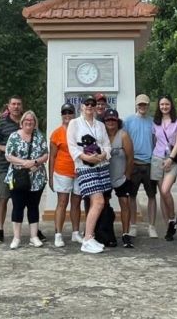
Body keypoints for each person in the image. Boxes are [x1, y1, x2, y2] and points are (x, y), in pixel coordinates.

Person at [67, 95, 112, 254]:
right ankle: (86, 240)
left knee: (99, 202)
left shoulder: (100, 125)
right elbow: (72, 146)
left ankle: (90, 236)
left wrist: (104, 155)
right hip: (85, 167)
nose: (90, 106)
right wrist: (85, 157)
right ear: (81, 106)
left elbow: (107, 144)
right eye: (87, 103)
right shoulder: (74, 123)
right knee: (98, 201)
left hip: (101, 166)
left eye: (93, 104)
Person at [4, 110, 49, 249]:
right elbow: (8, 155)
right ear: (21, 123)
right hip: (17, 177)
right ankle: (16, 237)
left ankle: (34, 236)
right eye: (26, 121)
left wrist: (34, 162)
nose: (29, 123)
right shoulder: (14, 136)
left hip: (37, 179)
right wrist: (24, 163)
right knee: (18, 206)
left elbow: (45, 155)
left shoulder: (39, 136)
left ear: (35, 123)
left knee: (33, 206)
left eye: (32, 121)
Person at [152, 94, 177, 241]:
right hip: (157, 158)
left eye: (167, 104)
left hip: (172, 159)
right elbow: (155, 140)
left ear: (171, 105)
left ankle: (172, 218)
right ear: (158, 106)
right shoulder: (155, 122)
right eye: (161, 104)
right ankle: (168, 227)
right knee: (162, 194)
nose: (164, 107)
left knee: (166, 190)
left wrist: (171, 159)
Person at [123, 94, 158, 238]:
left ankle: (152, 226)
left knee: (152, 196)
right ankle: (133, 226)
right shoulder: (128, 121)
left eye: (145, 104)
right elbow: (124, 141)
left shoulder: (154, 122)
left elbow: (156, 141)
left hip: (149, 163)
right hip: (134, 164)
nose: (142, 107)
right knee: (132, 196)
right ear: (136, 105)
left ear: (148, 106)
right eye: (140, 104)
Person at [49, 102, 82, 247]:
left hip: (79, 171)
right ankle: (58, 234)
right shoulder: (56, 133)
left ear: (74, 114)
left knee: (76, 203)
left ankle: (76, 233)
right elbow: (52, 156)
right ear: (62, 115)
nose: (67, 115)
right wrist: (50, 176)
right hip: (62, 171)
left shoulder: (80, 130)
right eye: (65, 113)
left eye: (70, 112)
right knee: (62, 202)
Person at [0, 95, 23, 244]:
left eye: (18, 104)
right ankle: (0, 229)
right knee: (4, 198)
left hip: (23, 168)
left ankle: (27, 230)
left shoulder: (26, 121)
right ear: (8, 106)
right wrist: (5, 148)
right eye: (13, 104)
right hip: (6, 167)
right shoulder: (1, 123)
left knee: (24, 200)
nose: (16, 107)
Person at [103, 107, 135, 248]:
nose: (110, 122)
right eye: (108, 119)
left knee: (125, 204)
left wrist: (127, 175)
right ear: (104, 121)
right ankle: (106, 232)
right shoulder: (101, 134)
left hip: (120, 177)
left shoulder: (123, 135)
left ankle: (126, 234)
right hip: (104, 176)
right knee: (103, 205)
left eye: (113, 120)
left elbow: (130, 157)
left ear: (117, 121)